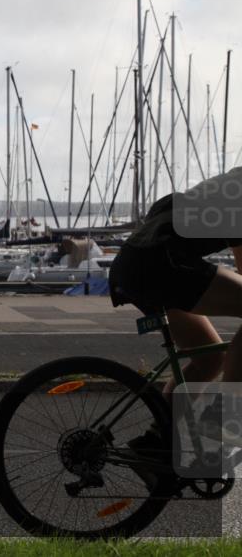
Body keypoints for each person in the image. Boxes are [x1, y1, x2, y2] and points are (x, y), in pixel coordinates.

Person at [109, 167, 242, 451]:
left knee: (210, 359)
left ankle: (160, 441)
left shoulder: (228, 183)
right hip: (159, 263)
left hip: (137, 262)